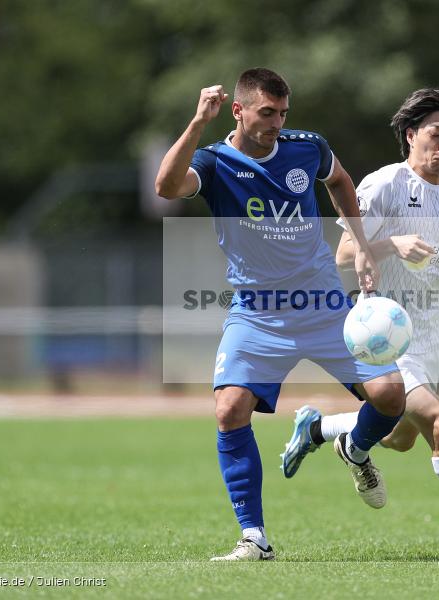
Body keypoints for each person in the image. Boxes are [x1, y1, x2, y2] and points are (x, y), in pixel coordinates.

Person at [155, 68, 406, 561]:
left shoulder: (306, 146)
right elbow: (166, 186)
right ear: (239, 110)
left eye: (282, 113)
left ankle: (353, 448)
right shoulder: (213, 161)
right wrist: (195, 123)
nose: (276, 123)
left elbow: (338, 179)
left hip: (322, 304)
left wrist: (357, 241)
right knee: (229, 409)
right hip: (256, 313)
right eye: (266, 113)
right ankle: (254, 537)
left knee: (391, 398)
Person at [281, 88, 439, 558]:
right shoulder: (382, 186)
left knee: (399, 438)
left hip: (429, 336)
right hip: (384, 336)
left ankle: (318, 430)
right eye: (436, 135)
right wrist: (391, 243)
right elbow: (339, 256)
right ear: (410, 134)